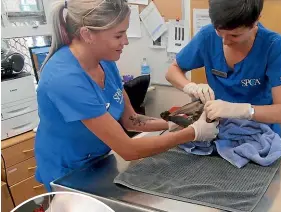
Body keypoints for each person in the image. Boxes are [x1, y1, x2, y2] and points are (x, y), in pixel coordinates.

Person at [35, 0, 219, 191]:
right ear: (87, 34)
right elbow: (128, 150)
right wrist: (193, 133)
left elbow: (131, 120)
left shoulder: (105, 62)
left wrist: (176, 123)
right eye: (118, 35)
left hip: (99, 160)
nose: (126, 41)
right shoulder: (65, 78)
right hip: (68, 172)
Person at [166, 0, 281, 135]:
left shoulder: (273, 46)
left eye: (234, 35)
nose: (225, 42)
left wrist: (241, 110)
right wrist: (191, 87)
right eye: (219, 32)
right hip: (216, 130)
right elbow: (172, 71)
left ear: (255, 21)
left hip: (259, 133)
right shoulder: (207, 36)